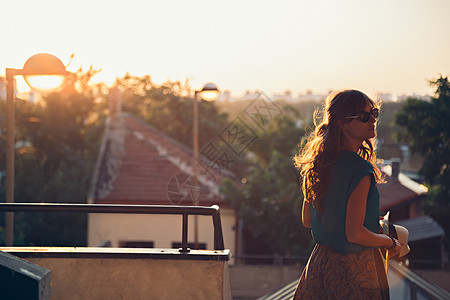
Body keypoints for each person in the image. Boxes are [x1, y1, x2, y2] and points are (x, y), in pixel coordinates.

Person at [292, 89, 402, 299]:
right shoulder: (360, 170)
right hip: (355, 268)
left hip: (319, 265)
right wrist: (388, 242)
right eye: (363, 116)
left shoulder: (317, 165)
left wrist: (368, 222)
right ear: (342, 123)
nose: (372, 120)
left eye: (374, 113)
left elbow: (308, 220)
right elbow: (354, 234)